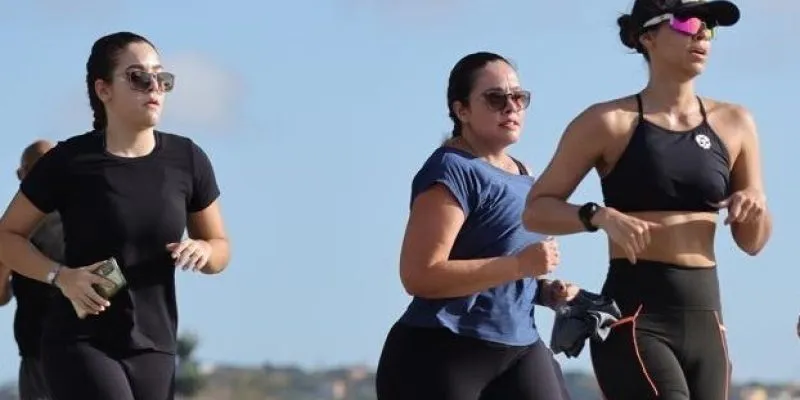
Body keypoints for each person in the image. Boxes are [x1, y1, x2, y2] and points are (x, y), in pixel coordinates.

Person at [522, 0, 771, 399]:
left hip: (708, 319)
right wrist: (597, 216)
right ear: (647, 36)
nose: (702, 33)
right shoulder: (607, 121)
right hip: (636, 317)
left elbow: (753, 241)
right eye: (688, 21)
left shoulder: (737, 122)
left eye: (709, 25)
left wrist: (755, 202)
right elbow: (535, 210)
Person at [0, 31, 230, 400]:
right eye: (138, 77)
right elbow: (5, 236)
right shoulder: (69, 162)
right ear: (103, 89)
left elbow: (221, 251)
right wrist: (59, 276)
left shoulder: (188, 160)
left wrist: (203, 249)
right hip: (79, 340)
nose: (154, 86)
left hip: (156, 344)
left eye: (162, 78)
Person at [375, 51, 576, 400]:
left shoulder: (524, 173)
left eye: (518, 97)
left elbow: (499, 269)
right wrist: (519, 265)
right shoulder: (451, 170)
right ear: (461, 110)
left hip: (520, 347)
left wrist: (543, 290)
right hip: (441, 351)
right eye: (496, 98)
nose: (511, 107)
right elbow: (419, 275)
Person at [0, 140, 62, 400]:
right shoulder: (11, 228)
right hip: (38, 348)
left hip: (88, 347)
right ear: (21, 175)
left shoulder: (87, 216)